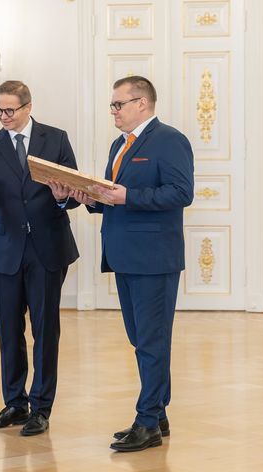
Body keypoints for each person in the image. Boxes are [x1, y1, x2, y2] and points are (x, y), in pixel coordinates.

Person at [71, 76, 194, 452]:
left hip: (154, 258)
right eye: (112, 105)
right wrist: (82, 196)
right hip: (124, 255)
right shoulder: (118, 145)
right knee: (141, 340)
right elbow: (112, 195)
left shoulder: (170, 140)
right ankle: (157, 413)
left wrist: (129, 196)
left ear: (142, 103)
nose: (113, 111)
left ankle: (147, 423)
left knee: (152, 341)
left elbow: (181, 192)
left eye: (118, 104)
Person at [0, 80, 79, 437]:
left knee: (45, 331)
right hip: (7, 250)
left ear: (28, 107)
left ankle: (41, 408)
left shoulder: (55, 139)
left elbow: (74, 192)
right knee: (8, 330)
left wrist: (63, 197)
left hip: (47, 248)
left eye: (9, 110)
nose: (3, 116)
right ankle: (15, 403)